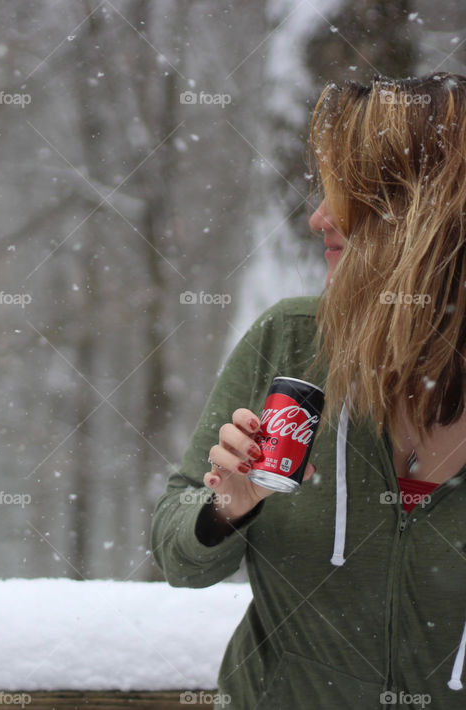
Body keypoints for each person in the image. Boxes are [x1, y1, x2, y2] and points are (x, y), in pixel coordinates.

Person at [151, 72, 466, 709]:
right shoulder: (291, 341)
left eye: (351, 193)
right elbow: (180, 554)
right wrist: (225, 508)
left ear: (430, 212)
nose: (318, 216)